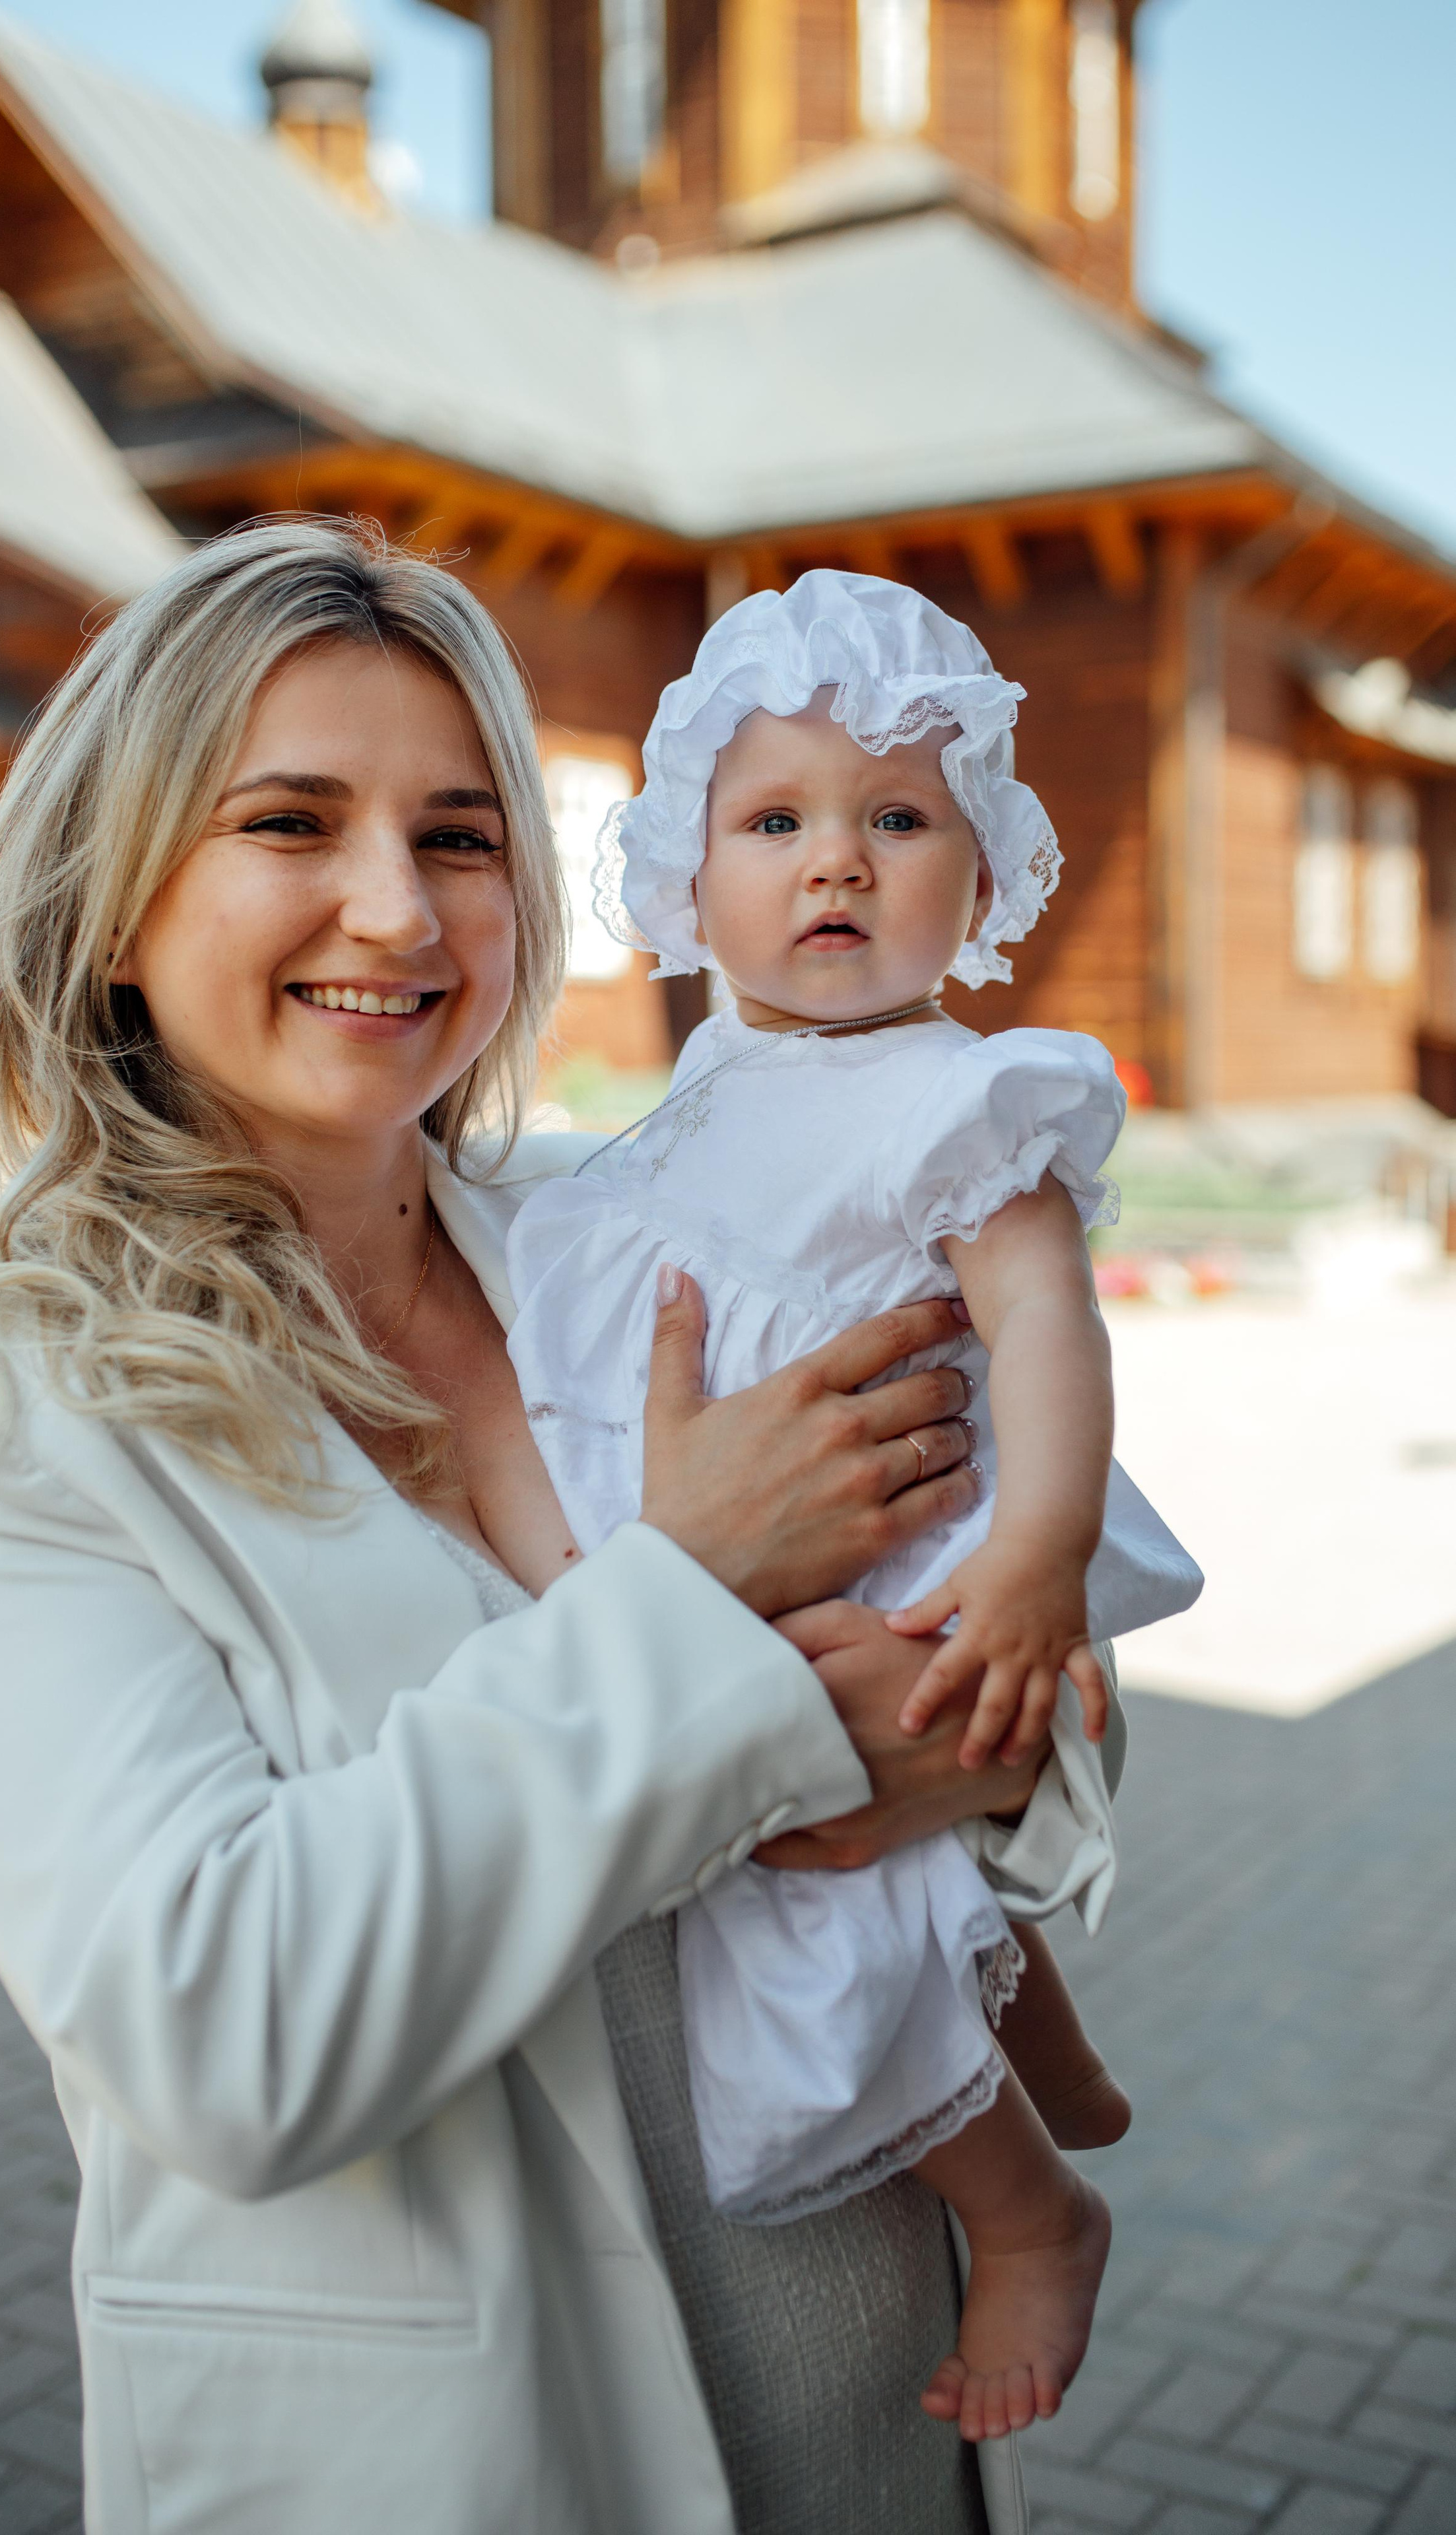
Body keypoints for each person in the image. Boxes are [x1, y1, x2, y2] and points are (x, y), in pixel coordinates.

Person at [0, 521, 1127, 2535]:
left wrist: (998, 1740)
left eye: (459, 838)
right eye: (289, 822)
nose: (395, 906)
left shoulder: (636, 1239)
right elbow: (232, 2035)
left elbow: (1033, 1627)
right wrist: (695, 1612)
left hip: (879, 2399)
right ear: (112, 897)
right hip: (468, 2464)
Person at [507, 570, 1203, 2445]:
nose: (836, 861)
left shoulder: (959, 1100)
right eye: (774, 823)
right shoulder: (697, 1095)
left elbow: (1045, 1325)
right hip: (750, 1564)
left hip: (909, 1567)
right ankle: (1060, 2066)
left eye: (899, 818)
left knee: (822, 1917)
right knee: (880, 1866)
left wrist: (1041, 1554)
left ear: (982, 877)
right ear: (684, 873)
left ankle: (1032, 2213)